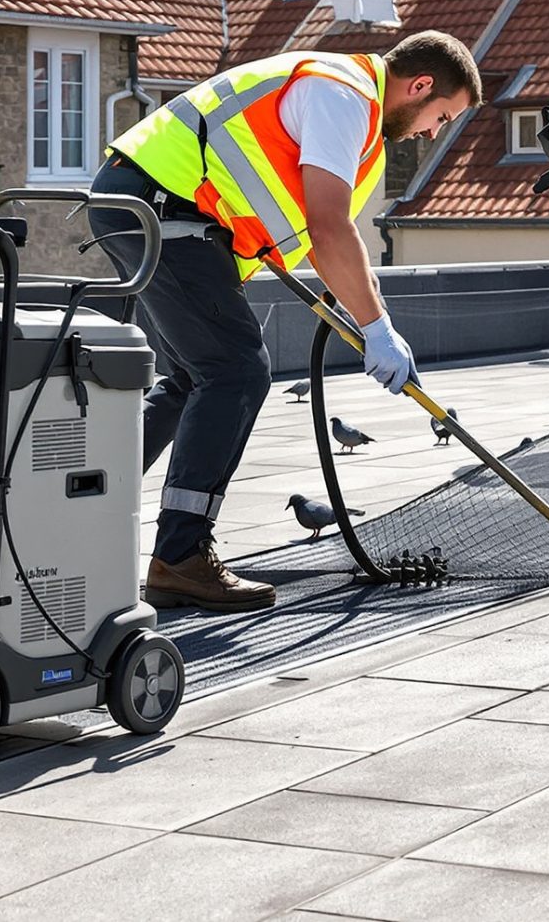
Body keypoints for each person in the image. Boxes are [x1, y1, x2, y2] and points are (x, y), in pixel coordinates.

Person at [88, 32, 481, 611]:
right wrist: (376, 327)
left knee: (194, 380)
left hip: (155, 208)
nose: (431, 133)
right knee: (236, 373)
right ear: (420, 86)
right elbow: (328, 228)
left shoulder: (356, 111)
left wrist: (375, 320)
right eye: (441, 116)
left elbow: (326, 236)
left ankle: (73, 504)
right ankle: (181, 557)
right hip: (163, 206)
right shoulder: (341, 95)